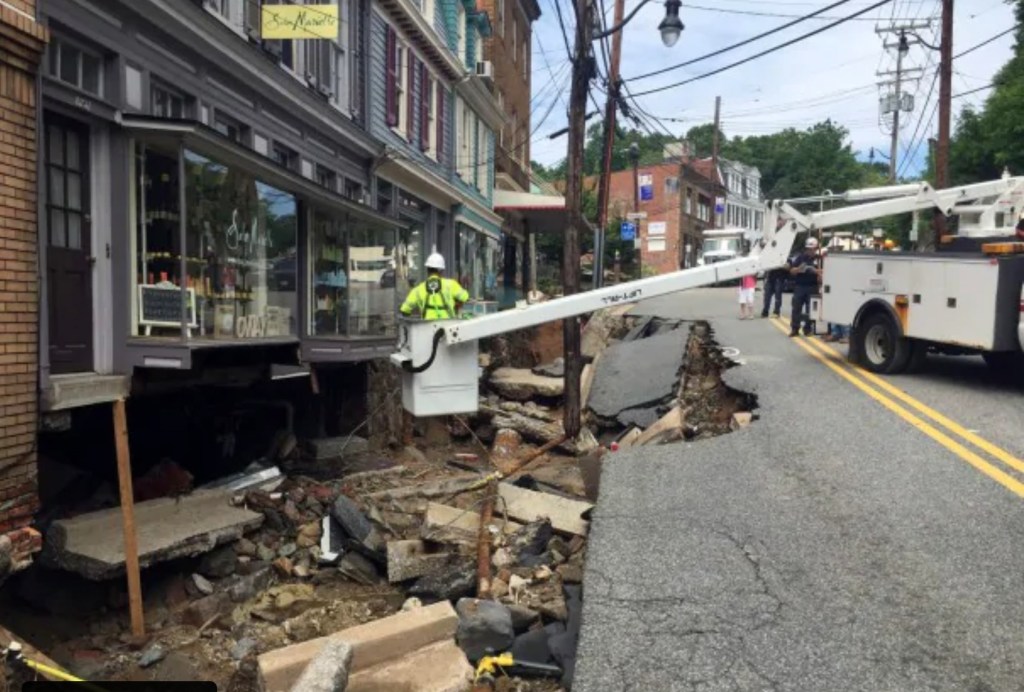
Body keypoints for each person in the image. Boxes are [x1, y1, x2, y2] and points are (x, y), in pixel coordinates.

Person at [399, 252, 469, 320]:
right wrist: (457, 304)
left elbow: (404, 310)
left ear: (427, 269)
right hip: (448, 327)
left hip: (426, 327)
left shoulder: (418, 290)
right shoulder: (451, 284)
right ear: (441, 270)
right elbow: (465, 297)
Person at [786, 237, 821, 337]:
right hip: (800, 286)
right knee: (796, 308)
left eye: (812, 249)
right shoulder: (800, 257)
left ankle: (808, 329)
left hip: (813, 286)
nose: (810, 251)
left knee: (811, 309)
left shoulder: (819, 259)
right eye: (808, 249)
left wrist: (816, 271)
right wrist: (799, 269)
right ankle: (795, 329)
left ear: (816, 248)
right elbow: (792, 271)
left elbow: (825, 271)